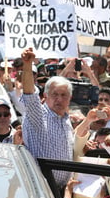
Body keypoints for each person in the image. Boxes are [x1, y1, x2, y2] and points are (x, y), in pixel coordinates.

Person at [21, 47, 74, 188]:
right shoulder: (38, 116)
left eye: (63, 95)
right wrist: (27, 65)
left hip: (62, 191)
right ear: (45, 96)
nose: (59, 99)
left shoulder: (67, 120)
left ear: (70, 98)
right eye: (55, 94)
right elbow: (29, 94)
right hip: (40, 189)